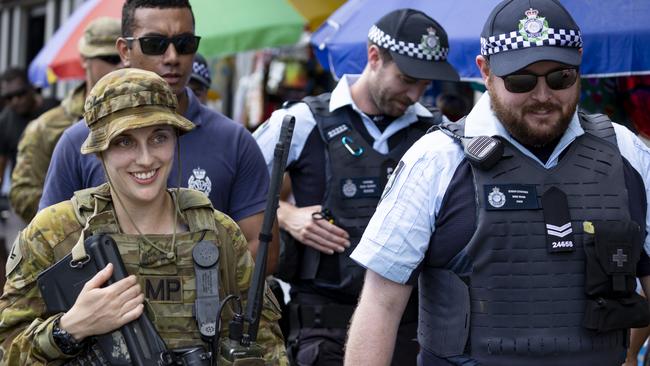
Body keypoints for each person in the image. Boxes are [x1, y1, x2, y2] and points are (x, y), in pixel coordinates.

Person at [346, 0, 650, 365]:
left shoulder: (626, 152)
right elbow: (381, 302)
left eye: (560, 78)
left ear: (579, 66)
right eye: (521, 80)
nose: (542, 96)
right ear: (485, 71)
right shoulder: (436, 160)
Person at [0, 68, 288, 365]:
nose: (146, 158)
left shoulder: (218, 234)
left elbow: (266, 346)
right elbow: (7, 348)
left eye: (158, 138)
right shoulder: (55, 234)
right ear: (100, 150)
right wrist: (69, 329)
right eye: (124, 142)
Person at [254, 8, 459, 365]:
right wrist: (286, 215)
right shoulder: (301, 121)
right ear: (374, 56)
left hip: (410, 331)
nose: (415, 94)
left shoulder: (440, 134)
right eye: (407, 78)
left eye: (425, 84)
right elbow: (237, 188)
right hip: (322, 328)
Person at [39, 0, 277, 272]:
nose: (173, 56)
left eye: (185, 43)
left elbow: (261, 249)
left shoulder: (235, 142)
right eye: (155, 44)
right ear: (124, 51)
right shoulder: (79, 141)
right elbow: (50, 250)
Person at [9, 17, 122, 223]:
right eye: (110, 58)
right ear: (85, 59)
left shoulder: (142, 120)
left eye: (125, 55)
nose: (121, 65)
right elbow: (21, 194)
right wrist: (75, 212)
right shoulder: (47, 127)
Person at [0, 67, 58, 187]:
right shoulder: (5, 121)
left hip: (56, 186)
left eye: (20, 94)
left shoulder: (54, 109)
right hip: (24, 193)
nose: (15, 100)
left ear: (31, 88)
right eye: (9, 97)